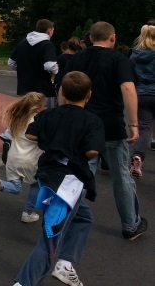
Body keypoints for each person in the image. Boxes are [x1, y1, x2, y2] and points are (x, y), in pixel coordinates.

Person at [12, 71, 105, 286]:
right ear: (89, 95)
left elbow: (31, 134)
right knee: (49, 241)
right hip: (67, 185)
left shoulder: (48, 115)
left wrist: (53, 141)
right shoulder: (92, 121)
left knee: (84, 217)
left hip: (49, 177)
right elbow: (93, 151)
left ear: (61, 91)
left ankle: (65, 263)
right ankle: (23, 283)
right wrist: (75, 152)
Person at [62, 21, 147, 240]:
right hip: (111, 126)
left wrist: (65, 117)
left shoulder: (77, 58)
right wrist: (133, 123)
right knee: (121, 177)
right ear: (113, 38)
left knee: (80, 175)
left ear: (90, 38)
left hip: (82, 126)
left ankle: (65, 219)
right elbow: (127, 88)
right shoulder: (118, 59)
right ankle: (130, 224)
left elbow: (64, 88)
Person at [0, 92, 46, 223]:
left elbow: (6, 135)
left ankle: (0, 184)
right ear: (36, 109)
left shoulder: (18, 119)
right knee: (36, 184)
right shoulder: (38, 122)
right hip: (30, 160)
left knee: (16, 187)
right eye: (44, 106)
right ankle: (27, 213)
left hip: (13, 157)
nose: (45, 108)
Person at [8, 19, 58, 108]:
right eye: (53, 30)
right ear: (49, 31)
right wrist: (56, 70)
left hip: (24, 90)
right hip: (43, 91)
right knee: (45, 115)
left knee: (26, 114)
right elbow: (50, 65)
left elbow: (11, 63)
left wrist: (23, 69)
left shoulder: (22, 44)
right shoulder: (47, 44)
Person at [128, 20, 155, 179]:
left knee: (144, 128)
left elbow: (130, 76)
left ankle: (138, 156)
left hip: (142, 94)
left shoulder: (135, 55)